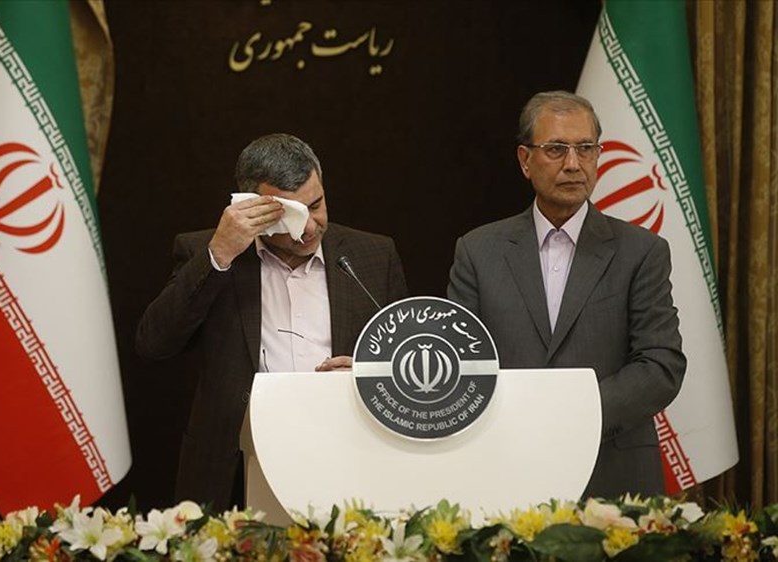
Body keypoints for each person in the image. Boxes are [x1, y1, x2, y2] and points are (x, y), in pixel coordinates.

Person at [136, 133, 408, 509]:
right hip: (238, 469)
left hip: (349, 457)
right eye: (290, 216)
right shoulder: (208, 251)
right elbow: (154, 343)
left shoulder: (373, 255)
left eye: (316, 205)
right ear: (251, 207)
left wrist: (367, 373)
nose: (309, 227)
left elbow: (404, 366)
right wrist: (220, 254)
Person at [447, 91, 686, 499]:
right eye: (556, 149)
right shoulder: (478, 251)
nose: (573, 164)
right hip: (507, 467)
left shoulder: (641, 251)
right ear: (525, 160)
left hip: (612, 474)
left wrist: (574, 412)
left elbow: (661, 365)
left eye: (585, 149)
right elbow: (458, 361)